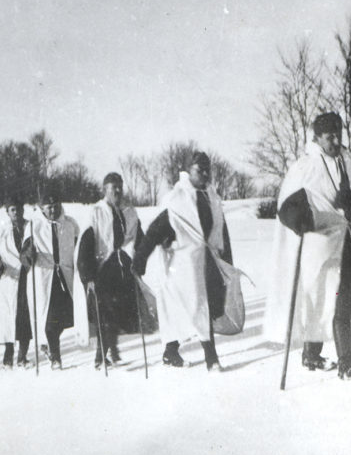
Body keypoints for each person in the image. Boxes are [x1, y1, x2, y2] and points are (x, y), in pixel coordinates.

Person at [267, 112, 351, 380]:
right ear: (316, 137)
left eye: (338, 134)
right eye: (329, 136)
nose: (335, 140)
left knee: (331, 300)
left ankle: (311, 355)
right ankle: (347, 364)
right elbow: (287, 207)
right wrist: (302, 219)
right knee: (335, 300)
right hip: (320, 245)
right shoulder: (305, 167)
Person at [132, 151, 234, 371]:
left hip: (208, 261)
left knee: (199, 308)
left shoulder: (212, 197)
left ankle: (170, 351)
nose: (205, 174)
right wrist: (139, 260)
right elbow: (155, 231)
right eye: (200, 170)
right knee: (196, 308)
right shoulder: (177, 199)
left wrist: (227, 260)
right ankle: (211, 359)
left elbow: (221, 231)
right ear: (189, 172)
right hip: (183, 264)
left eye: (208, 169)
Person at [77, 172, 144, 368]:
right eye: (112, 187)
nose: (117, 190)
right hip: (101, 267)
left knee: (117, 312)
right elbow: (86, 243)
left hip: (121, 265)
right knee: (104, 313)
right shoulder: (96, 212)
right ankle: (100, 356)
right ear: (104, 189)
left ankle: (113, 351)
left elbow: (139, 237)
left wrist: (140, 260)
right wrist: (88, 275)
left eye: (119, 187)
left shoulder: (129, 212)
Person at [22, 189, 80, 370]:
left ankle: (48, 344)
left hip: (66, 276)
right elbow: (24, 253)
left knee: (69, 317)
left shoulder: (70, 225)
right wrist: (28, 255)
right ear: (42, 209)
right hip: (45, 278)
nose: (53, 211)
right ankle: (56, 357)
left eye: (56, 206)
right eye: (49, 207)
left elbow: (78, 248)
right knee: (50, 320)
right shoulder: (34, 226)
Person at [0, 196, 33, 369]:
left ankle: (22, 356)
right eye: (12, 209)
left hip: (27, 277)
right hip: (9, 280)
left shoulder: (31, 227)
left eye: (19, 209)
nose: (16, 212)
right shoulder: (3, 231)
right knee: (9, 319)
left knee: (25, 318)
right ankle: (8, 357)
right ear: (7, 212)